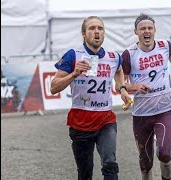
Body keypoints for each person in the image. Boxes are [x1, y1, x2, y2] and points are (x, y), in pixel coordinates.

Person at [50, 16, 132, 180]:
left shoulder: (113, 56)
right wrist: (74, 74)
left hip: (105, 119)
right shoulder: (73, 55)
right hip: (80, 121)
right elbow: (53, 87)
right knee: (85, 173)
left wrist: (122, 88)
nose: (97, 32)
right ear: (83, 33)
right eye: (92, 28)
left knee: (110, 165)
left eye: (100, 29)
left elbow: (118, 69)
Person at [121, 13, 171, 180]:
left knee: (164, 153)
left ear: (155, 30)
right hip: (141, 115)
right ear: (136, 32)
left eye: (150, 28)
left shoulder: (164, 46)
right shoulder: (128, 54)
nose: (146, 32)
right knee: (146, 162)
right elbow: (121, 85)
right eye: (142, 29)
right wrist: (134, 87)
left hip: (164, 110)